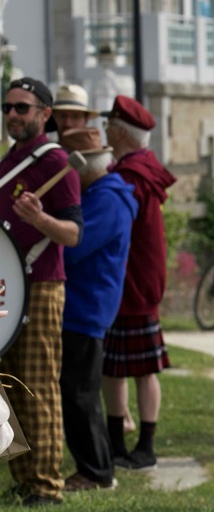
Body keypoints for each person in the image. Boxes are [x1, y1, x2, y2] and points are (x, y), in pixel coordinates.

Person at [0, 77, 83, 507]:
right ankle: (22, 476)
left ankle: (47, 484)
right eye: (7, 108)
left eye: (22, 108)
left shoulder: (57, 164)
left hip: (41, 284)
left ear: (44, 114)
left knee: (37, 385)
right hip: (5, 288)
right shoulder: (7, 163)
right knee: (4, 389)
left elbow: (72, 234)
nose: (12, 115)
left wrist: (40, 219)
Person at [59, 128, 136, 492]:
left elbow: (74, 247)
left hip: (86, 307)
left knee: (80, 394)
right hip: (85, 304)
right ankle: (97, 467)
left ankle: (96, 471)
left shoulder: (106, 200)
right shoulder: (102, 195)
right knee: (79, 392)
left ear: (84, 168)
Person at [101, 96, 176, 470]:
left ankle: (141, 446)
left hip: (130, 282)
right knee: (120, 368)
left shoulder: (131, 176)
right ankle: (124, 442)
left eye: (109, 126)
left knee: (130, 369)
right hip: (137, 280)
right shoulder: (142, 168)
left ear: (120, 132)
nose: (105, 132)